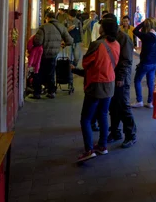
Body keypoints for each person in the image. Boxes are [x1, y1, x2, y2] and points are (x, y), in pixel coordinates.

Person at [73, 18, 120, 162]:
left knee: (86, 119)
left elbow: (86, 63)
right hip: (110, 83)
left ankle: (88, 150)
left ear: (103, 29)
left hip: (96, 84)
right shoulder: (117, 44)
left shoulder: (97, 44)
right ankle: (102, 145)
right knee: (103, 115)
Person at [102, 13, 137, 148]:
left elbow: (127, 60)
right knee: (113, 106)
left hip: (121, 78)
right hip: (111, 76)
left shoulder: (123, 38)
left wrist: (121, 77)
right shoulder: (109, 37)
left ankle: (131, 134)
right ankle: (115, 131)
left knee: (123, 106)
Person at [32, 12, 73, 99]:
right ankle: (51, 91)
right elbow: (70, 41)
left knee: (38, 72)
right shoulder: (61, 27)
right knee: (50, 73)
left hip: (42, 54)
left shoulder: (43, 27)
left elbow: (38, 41)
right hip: (54, 54)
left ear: (47, 18)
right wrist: (63, 44)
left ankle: (37, 93)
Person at [131, 18, 156, 108]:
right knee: (150, 83)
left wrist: (142, 23)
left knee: (137, 80)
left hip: (145, 62)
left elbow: (135, 30)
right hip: (154, 63)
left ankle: (139, 100)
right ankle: (150, 102)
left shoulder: (146, 36)